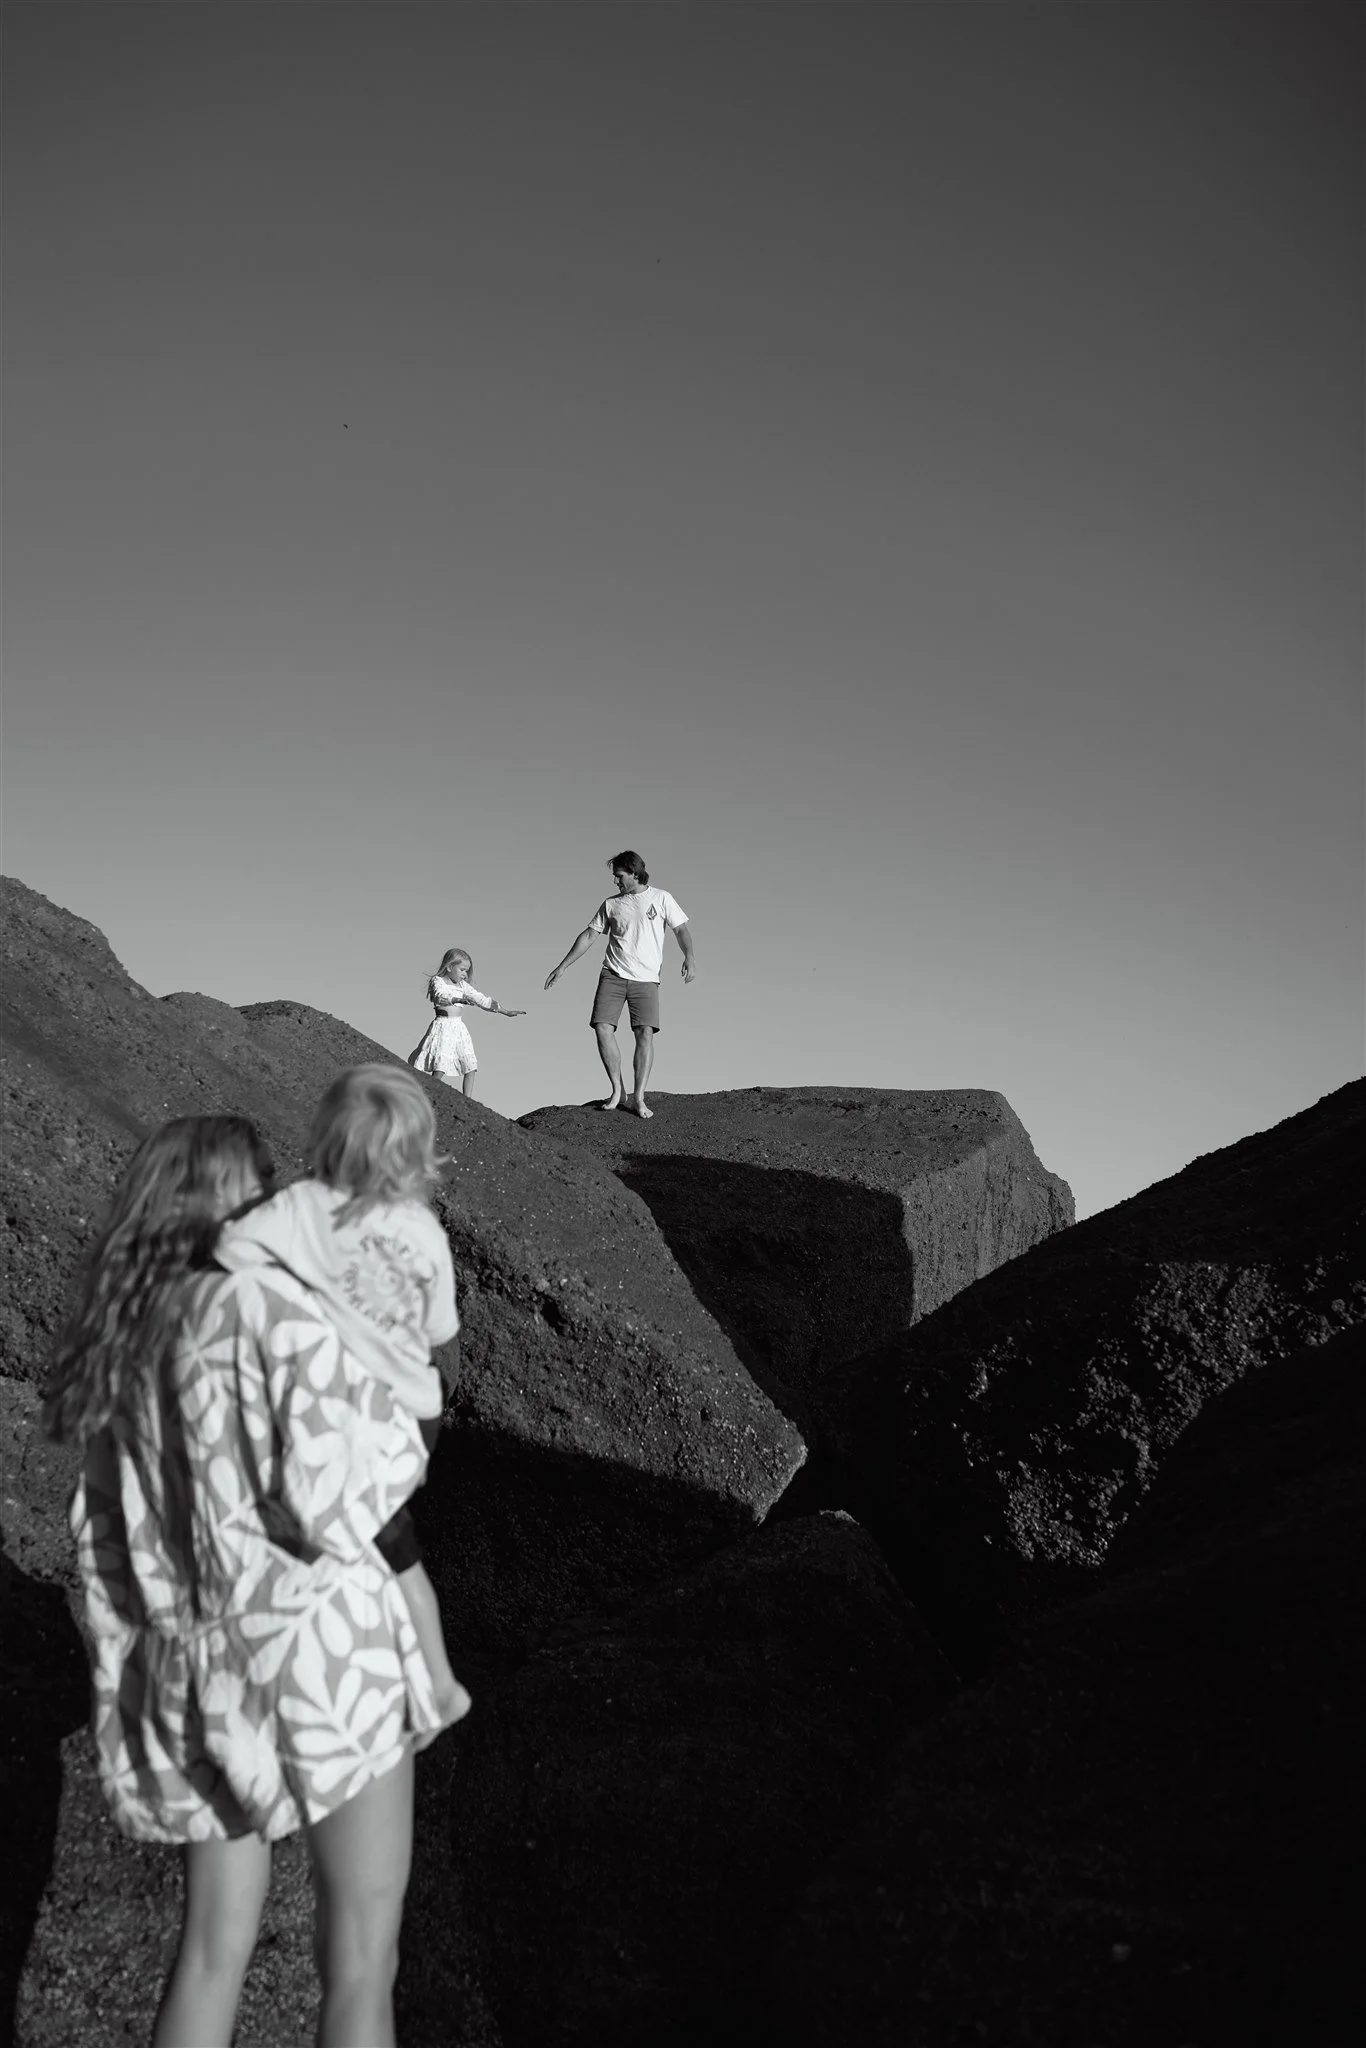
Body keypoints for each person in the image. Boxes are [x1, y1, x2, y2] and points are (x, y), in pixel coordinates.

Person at [43, 1113, 458, 2048]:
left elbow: (101, 1537)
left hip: (198, 1670)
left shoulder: (118, 1348)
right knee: (360, 1962)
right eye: (264, 1182)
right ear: (235, 1198)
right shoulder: (272, 1311)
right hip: (326, 1657)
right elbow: (354, 1479)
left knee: (209, 1952)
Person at [216, 1064, 472, 1732]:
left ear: (324, 1140)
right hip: (418, 1416)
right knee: (386, 1547)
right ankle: (435, 1685)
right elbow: (442, 1329)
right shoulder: (424, 1230)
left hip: (355, 1420)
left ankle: (419, 1690)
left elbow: (229, 1252)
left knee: (352, 1548)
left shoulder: (302, 1207)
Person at [543, 849, 694, 1118]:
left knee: (644, 1033)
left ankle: (639, 1097)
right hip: (612, 974)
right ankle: (617, 1090)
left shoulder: (661, 898)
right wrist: (562, 967)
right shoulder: (611, 904)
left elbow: (681, 929)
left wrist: (689, 957)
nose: (616, 881)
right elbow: (589, 935)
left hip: (646, 979)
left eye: (620, 876)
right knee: (602, 1027)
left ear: (635, 873)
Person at [408, 946, 524, 1099]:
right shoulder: (438, 981)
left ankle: (467, 1100)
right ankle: (430, 1092)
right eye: (462, 970)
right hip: (443, 1026)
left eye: (466, 971)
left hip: (459, 1028)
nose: (464, 974)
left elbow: (481, 999)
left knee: (470, 1065)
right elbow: (440, 995)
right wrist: (457, 999)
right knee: (441, 1065)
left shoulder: (463, 986)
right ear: (449, 967)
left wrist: (506, 1011)